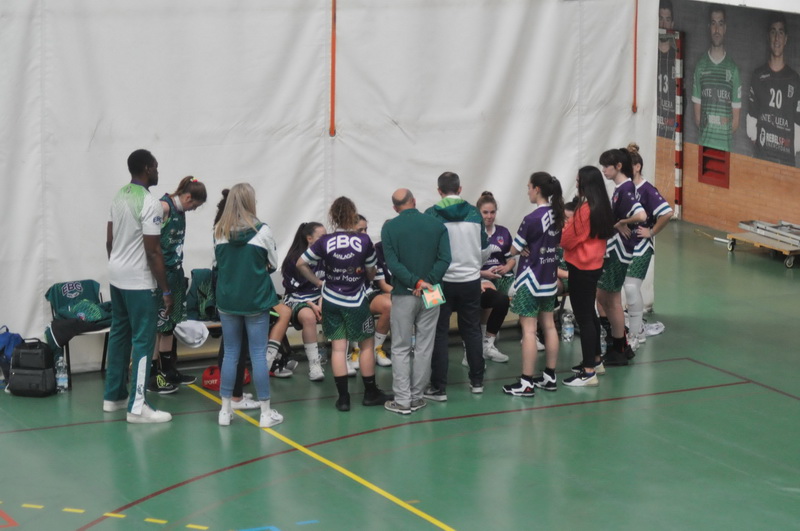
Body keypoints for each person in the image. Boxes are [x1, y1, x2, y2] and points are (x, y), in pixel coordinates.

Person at [297, 197, 393, 411]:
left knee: (338, 348)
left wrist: (319, 283)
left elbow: (301, 263)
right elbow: (371, 271)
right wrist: (365, 275)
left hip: (331, 299)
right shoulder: (363, 240)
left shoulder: (324, 241)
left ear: (333, 216)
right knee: (366, 345)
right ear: (352, 215)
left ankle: (343, 399)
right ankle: (370, 393)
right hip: (356, 300)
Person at [103, 149, 174, 423]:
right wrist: (166, 289)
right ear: (146, 168)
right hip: (139, 283)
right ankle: (137, 407)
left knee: (119, 336)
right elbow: (153, 251)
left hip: (116, 276)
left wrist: (118, 265)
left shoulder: (118, 196)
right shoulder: (150, 203)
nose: (157, 171)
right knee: (143, 341)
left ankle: (113, 397)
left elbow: (110, 241)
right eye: (155, 166)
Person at [213, 183, 283, 428]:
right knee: (258, 354)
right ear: (251, 202)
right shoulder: (262, 231)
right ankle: (265, 413)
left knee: (231, 353)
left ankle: (224, 411)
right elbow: (273, 264)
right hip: (255, 299)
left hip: (227, 299)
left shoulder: (219, 231)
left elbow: (218, 263)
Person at [381, 189, 451, 414]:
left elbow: (393, 264)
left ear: (395, 207)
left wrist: (416, 282)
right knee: (425, 346)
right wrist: (428, 282)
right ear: (414, 201)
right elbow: (445, 259)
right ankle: (417, 397)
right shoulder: (437, 225)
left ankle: (402, 400)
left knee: (400, 347)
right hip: (433, 292)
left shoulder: (389, 227)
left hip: (404, 292)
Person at [425, 171, 490, 400]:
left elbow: (427, 251)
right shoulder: (474, 213)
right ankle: (477, 381)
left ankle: (438, 387)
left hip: (438, 283)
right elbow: (484, 249)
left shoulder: (431, 214)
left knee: (438, 332)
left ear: (439, 191)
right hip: (470, 281)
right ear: (460, 189)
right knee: (472, 330)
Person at [502, 173, 564, 396]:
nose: (527, 191)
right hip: (549, 278)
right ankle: (550, 376)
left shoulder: (532, 218)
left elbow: (513, 249)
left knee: (529, 330)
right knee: (549, 326)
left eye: (529, 187)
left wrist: (519, 249)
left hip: (530, 279)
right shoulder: (558, 215)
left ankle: (526, 382)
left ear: (537, 189)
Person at [151, 176, 207, 394]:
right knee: (156, 326)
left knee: (169, 326)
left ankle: (168, 371)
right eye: (195, 205)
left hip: (175, 273)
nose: (194, 209)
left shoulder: (180, 210)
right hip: (160, 275)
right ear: (187, 197)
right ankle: (151, 376)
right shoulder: (163, 207)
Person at [562, 167, 616, 387]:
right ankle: (595, 360)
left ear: (586, 184)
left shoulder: (585, 210)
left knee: (584, 318)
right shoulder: (602, 206)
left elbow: (567, 239)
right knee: (590, 314)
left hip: (581, 268)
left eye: (578, 181)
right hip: (594, 266)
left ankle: (588, 372)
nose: (576, 184)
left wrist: (565, 229)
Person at [596, 149, 647, 366]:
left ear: (618, 166)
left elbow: (641, 214)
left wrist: (622, 223)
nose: (603, 170)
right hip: (616, 251)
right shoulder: (620, 188)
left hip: (618, 252)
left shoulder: (625, 189)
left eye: (606, 166)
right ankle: (621, 344)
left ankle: (618, 347)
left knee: (612, 301)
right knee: (606, 298)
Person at [624, 144, 674, 350]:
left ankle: (637, 333)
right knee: (625, 288)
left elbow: (667, 212)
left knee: (631, 287)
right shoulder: (625, 189)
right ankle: (635, 327)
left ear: (637, 167)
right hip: (624, 247)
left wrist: (651, 232)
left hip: (641, 247)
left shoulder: (647, 190)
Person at [746, 13, 800, 166]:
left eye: (780, 33)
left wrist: (790, 149)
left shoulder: (795, 79)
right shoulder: (758, 75)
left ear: (786, 39)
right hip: (762, 157)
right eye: (773, 32)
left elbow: (798, 122)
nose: (777, 38)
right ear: (768, 36)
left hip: (786, 161)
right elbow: (752, 119)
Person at [281, 222, 328, 381]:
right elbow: (292, 290)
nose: (326, 240)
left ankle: (347, 358)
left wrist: (321, 301)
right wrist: (312, 304)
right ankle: (314, 365)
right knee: (309, 317)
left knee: (341, 309)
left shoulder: (326, 257)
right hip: (297, 299)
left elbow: (329, 284)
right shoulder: (293, 260)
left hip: (320, 298)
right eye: (322, 237)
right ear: (309, 238)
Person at [692, 4, 741, 151]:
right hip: (704, 147)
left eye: (720, 24)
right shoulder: (700, 66)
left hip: (725, 149)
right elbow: (698, 119)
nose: (717, 29)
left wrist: (720, 133)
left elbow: (735, 123)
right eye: (713, 23)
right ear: (709, 27)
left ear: (725, 28)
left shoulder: (733, 69)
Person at [348, 215, 393, 369]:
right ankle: (355, 351)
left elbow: (375, 279)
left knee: (389, 305)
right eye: (360, 230)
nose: (364, 233)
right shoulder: (340, 249)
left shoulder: (371, 250)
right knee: (353, 307)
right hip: (345, 295)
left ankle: (376, 349)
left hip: (366, 291)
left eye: (366, 229)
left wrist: (369, 259)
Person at [475, 192, 515, 363]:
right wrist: (484, 273)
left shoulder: (503, 232)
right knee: (492, 295)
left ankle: (531, 334)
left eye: (492, 212)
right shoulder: (473, 233)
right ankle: (485, 342)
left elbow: (511, 258)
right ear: (478, 212)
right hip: (482, 277)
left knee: (524, 292)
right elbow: (467, 267)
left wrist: (506, 267)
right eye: (485, 212)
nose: (489, 216)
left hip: (503, 277)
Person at [657, 0, 677, 139]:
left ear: (672, 24)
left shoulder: (677, 57)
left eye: (667, 20)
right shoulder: (648, 56)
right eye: (660, 19)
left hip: (671, 129)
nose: (663, 25)